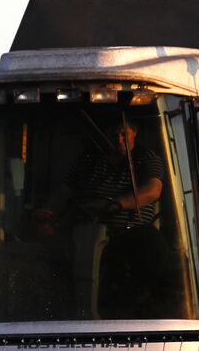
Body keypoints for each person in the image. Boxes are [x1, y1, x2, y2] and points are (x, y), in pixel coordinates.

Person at [64, 118, 177, 318]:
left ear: (135, 134)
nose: (119, 139)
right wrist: (48, 212)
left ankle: (145, 311)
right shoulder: (88, 160)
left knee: (153, 245)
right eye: (114, 134)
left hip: (128, 237)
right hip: (82, 231)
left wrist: (115, 205)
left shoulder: (145, 158)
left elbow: (152, 191)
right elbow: (64, 190)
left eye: (124, 134)